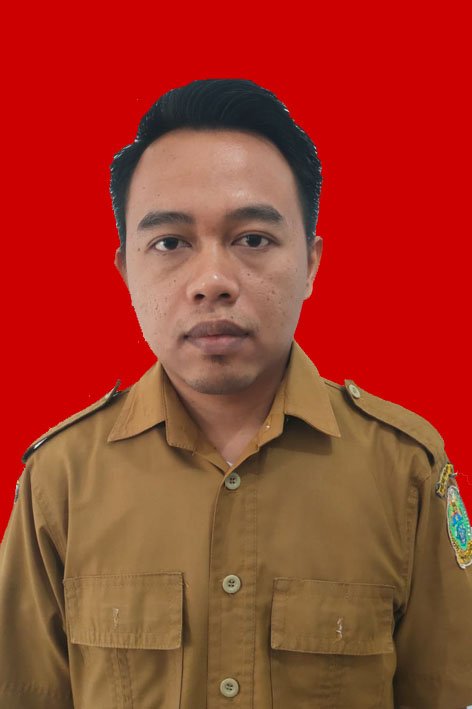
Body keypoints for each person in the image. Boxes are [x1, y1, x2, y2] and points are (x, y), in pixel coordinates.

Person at [0, 78, 471, 709]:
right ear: (126, 270)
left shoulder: (407, 468)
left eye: (253, 239)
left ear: (311, 262)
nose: (213, 280)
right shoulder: (58, 479)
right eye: (170, 243)